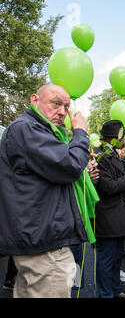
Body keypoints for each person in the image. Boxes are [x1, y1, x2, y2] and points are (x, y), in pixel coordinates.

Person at [0, 84, 91, 298]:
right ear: (34, 100)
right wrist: (80, 133)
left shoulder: (35, 129)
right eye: (56, 103)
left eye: (66, 106)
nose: (62, 112)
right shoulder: (26, 128)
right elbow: (70, 165)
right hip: (43, 244)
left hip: (39, 239)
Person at [94, 120, 125, 298]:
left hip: (118, 217)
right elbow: (108, 187)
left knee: (116, 259)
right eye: (121, 136)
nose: (122, 141)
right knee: (106, 260)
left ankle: (115, 290)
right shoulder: (101, 157)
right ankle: (106, 294)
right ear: (113, 138)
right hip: (108, 218)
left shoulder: (112, 154)